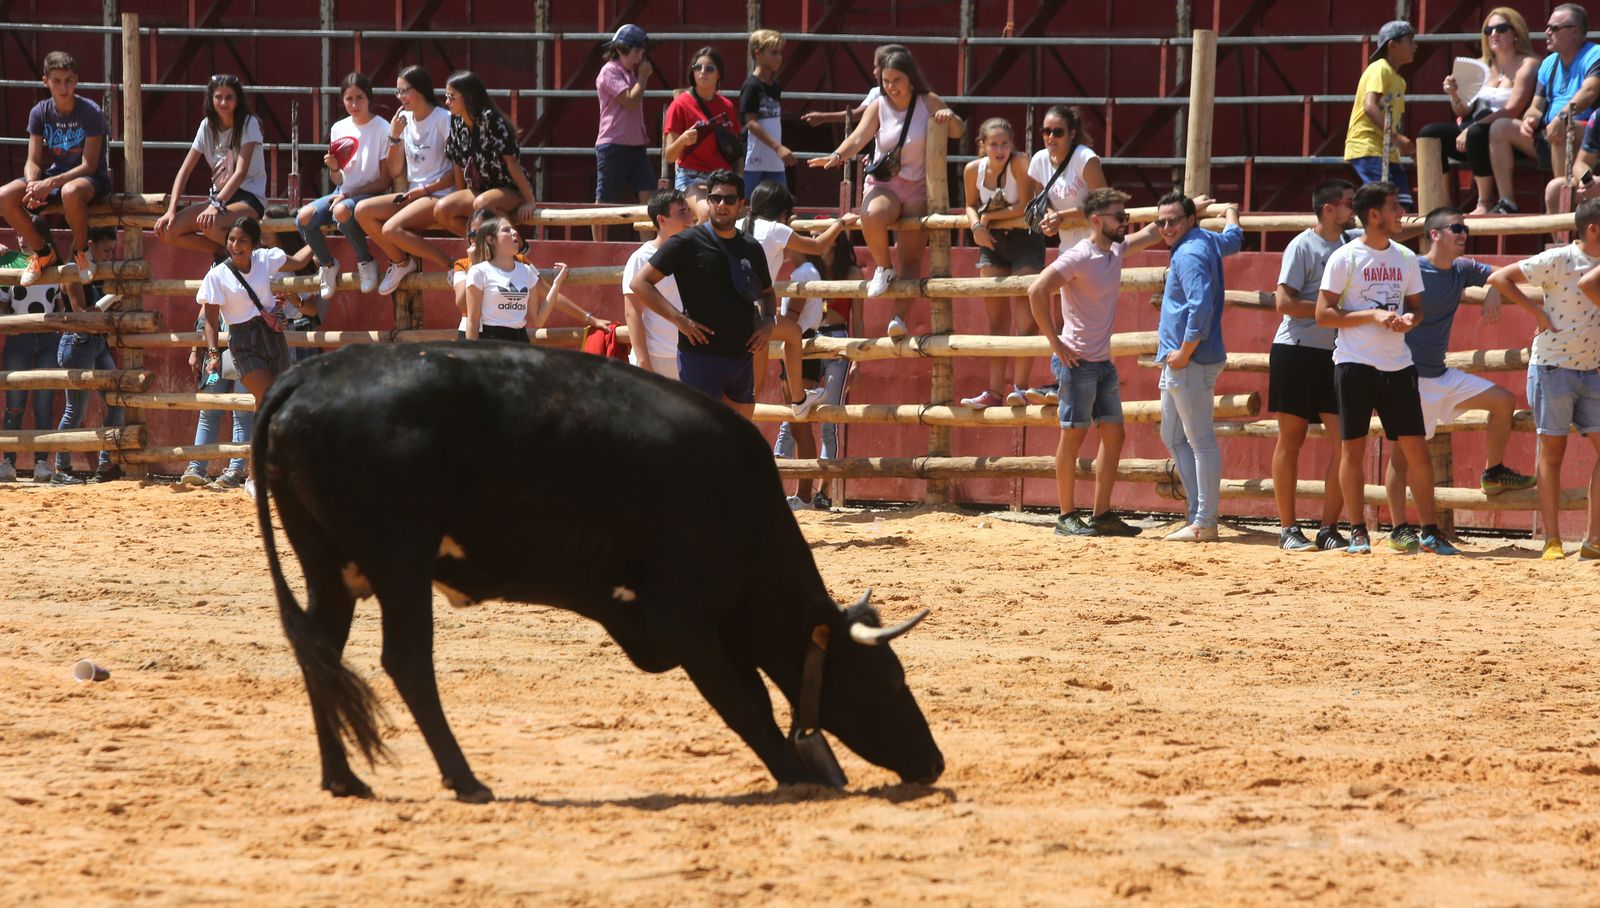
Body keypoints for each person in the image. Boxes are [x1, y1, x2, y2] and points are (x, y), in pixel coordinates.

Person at [1315, 181, 1455, 556]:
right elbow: (1323, 314)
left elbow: (1417, 307)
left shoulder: (1406, 258)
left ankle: (1429, 530)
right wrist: (1372, 315)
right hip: (1354, 364)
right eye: (1394, 207)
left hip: (1398, 365)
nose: (1401, 214)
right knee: (1353, 449)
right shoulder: (1344, 257)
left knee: (1417, 452)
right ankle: (1358, 530)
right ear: (1373, 214)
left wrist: (1410, 320)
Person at [1383, 207, 1536, 547]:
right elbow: (1381, 245)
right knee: (1402, 454)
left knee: (1503, 401)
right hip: (1409, 378)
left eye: (1465, 228)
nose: (1463, 233)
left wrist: (1494, 287)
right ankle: (1398, 528)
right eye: (1456, 228)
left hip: (1440, 374)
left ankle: (1493, 472)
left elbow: (1502, 274)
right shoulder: (1410, 267)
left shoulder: (1463, 268)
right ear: (1434, 234)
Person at [1027, 188, 1164, 538]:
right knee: (1072, 437)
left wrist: (1188, 208)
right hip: (1077, 362)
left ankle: (1101, 514)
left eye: (1126, 216)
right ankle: (1065, 516)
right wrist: (1056, 345)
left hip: (1102, 363)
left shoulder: (1114, 250)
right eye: (1119, 217)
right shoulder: (1079, 256)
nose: (1125, 222)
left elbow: (1152, 232)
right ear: (1096, 220)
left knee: (1114, 437)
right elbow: (1036, 290)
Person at [808, 48, 963, 337]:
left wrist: (947, 114)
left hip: (917, 187)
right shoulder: (878, 104)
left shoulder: (926, 101)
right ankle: (883, 266)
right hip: (884, 184)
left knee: (912, 257)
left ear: (911, 79)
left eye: (896, 80)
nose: (891, 86)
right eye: (887, 80)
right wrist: (837, 155)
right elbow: (858, 137)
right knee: (871, 214)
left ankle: (899, 319)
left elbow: (957, 130)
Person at [630, 169, 786, 419]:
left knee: (739, 436)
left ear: (742, 204)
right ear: (708, 201)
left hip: (741, 356)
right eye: (715, 198)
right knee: (700, 435)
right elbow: (640, 283)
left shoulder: (751, 246)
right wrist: (679, 320)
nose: (722, 205)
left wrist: (768, 322)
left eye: (729, 199)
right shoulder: (687, 242)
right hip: (699, 358)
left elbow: (767, 293)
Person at [1495, 198, 1600, 560]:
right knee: (1552, 454)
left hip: (1589, 368)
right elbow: (1500, 277)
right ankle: (1552, 539)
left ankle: (1592, 539)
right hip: (1553, 366)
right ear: (1593, 228)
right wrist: (1536, 311)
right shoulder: (1560, 259)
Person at [1269, 179, 1357, 551]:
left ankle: (1327, 527)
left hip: (1334, 353)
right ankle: (1288, 528)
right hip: (1297, 351)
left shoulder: (1349, 245)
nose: (1353, 209)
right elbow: (1284, 303)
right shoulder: (1302, 245)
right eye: (1348, 204)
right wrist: (1330, 313)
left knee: (1345, 443)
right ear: (1328, 209)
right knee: (1292, 440)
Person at [1154, 191, 1243, 542]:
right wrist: (1232, 211)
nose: (1165, 227)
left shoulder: (1189, 253)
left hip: (1188, 358)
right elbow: (1233, 239)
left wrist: (1185, 350)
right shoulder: (1204, 239)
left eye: (1172, 220)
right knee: (1174, 436)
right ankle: (1198, 514)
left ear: (1189, 220)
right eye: (1161, 221)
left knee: (1198, 440)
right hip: (1187, 357)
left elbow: (1200, 306)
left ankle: (1204, 520)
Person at [741, 180, 852, 414]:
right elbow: (818, 246)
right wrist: (840, 223)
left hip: (730, 310)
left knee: (749, 389)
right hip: (754, 315)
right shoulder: (775, 230)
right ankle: (799, 399)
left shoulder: (738, 224)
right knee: (792, 333)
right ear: (782, 213)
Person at [1, 51, 112, 285]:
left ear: (76, 80)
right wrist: (32, 185)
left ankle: (82, 252)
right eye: (57, 81)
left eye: (69, 80)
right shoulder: (39, 112)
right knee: (4, 196)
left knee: (69, 191)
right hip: (55, 178)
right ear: (46, 81)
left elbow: (89, 166)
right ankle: (43, 253)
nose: (64, 87)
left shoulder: (91, 112)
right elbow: (32, 160)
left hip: (90, 181)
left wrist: (48, 184)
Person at [1415, 9, 1538, 215]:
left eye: (1501, 28)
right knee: (1430, 133)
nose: (1493, 34)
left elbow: (1513, 109)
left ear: (1516, 32)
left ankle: (1485, 201)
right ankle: (1445, 204)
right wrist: (1454, 94)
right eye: (1488, 30)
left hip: (1506, 136)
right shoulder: (1480, 65)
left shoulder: (1528, 63)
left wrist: (1472, 127)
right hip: (1474, 133)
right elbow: (1464, 109)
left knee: (1477, 132)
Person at [960, 118, 1046, 408]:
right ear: (982, 145)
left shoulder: (1021, 163)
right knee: (996, 319)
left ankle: (1019, 388)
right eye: (993, 144)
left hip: (1025, 240)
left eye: (1005, 144)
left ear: (1013, 145)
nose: (1000, 149)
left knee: (1026, 318)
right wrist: (976, 227)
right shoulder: (972, 169)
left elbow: (1024, 205)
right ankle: (993, 391)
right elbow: (970, 204)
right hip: (991, 243)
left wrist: (988, 218)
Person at [353, 66, 457, 296]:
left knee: (391, 229)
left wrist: (426, 189)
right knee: (362, 211)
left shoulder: (443, 119)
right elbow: (395, 169)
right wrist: (394, 136)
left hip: (439, 194)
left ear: (420, 90)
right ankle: (401, 263)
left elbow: (457, 172)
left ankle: (452, 265)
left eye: (404, 91)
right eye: (397, 92)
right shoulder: (403, 120)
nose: (400, 98)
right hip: (413, 194)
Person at [774, 241, 862, 511]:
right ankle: (784, 487)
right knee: (790, 419)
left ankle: (822, 490)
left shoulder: (849, 272)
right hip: (811, 339)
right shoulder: (813, 269)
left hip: (836, 339)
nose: (816, 242)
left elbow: (857, 316)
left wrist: (857, 357)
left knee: (829, 421)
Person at [1488, 3, 1600, 214]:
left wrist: (1561, 117)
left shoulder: (1595, 55)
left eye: (1554, 28)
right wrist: (1530, 119)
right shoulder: (1549, 63)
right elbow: (1536, 107)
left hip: (1586, 134)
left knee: (1563, 128)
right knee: (1499, 127)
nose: (1547, 32)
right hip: (1549, 134)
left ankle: (1563, 201)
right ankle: (1507, 203)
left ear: (1574, 32)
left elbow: (1590, 92)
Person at [196, 217, 316, 412]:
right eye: (231, 239)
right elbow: (210, 320)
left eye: (242, 240)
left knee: (277, 400)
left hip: (272, 336)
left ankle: (263, 442)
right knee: (270, 396)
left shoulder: (264, 258)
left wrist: (317, 239)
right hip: (243, 343)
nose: (235, 246)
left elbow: (298, 262)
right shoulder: (216, 276)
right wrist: (213, 353)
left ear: (253, 243)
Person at [296, 72, 392, 302]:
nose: (354, 104)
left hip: (370, 195)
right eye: (349, 99)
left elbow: (385, 181)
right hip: (342, 194)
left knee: (341, 210)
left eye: (359, 98)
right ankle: (328, 265)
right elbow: (338, 180)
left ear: (369, 98)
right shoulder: (339, 127)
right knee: (303, 217)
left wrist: (347, 194)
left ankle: (365, 260)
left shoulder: (382, 128)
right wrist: (333, 168)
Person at [153, 74, 267, 254]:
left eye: (229, 97)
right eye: (218, 97)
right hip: (218, 197)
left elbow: (240, 172)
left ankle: (254, 255)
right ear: (211, 99)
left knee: (210, 224)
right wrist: (171, 209)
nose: (223, 102)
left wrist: (216, 205)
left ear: (238, 100)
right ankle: (223, 254)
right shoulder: (206, 126)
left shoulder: (248, 123)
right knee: (167, 231)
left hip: (248, 196)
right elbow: (185, 170)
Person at [0, 217, 75, 483]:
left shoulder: (55, 267)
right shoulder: (7, 263)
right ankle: (8, 461)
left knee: (44, 402)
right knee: (15, 404)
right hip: (18, 337)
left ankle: (41, 462)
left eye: (27, 234)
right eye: (19, 233)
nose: (21, 238)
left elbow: (62, 305)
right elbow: (4, 307)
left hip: (47, 338)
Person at [50, 226, 124, 484]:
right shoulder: (72, 271)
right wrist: (111, 298)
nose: (108, 255)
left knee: (117, 397)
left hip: (96, 342)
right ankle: (61, 470)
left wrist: (113, 299)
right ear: (90, 246)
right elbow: (82, 313)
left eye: (111, 251)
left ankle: (105, 464)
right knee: (75, 411)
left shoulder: (97, 272)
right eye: (105, 250)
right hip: (78, 342)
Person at [434, 70, 538, 239]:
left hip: (509, 188)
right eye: (447, 96)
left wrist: (530, 200)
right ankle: (483, 246)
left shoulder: (490, 119)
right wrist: (460, 197)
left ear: (468, 96)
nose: (447, 102)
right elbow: (458, 164)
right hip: (479, 191)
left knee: (483, 203)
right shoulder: (457, 122)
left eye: (452, 97)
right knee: (442, 210)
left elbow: (512, 162)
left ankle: (517, 247)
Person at [1345, 20, 1417, 210]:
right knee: (1389, 205)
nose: (1415, 46)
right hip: (1368, 147)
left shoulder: (1399, 81)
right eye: (1410, 41)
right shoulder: (1380, 68)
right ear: (1392, 45)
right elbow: (1369, 106)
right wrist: (1396, 138)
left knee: (1403, 206)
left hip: (1387, 151)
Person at [461, 215, 567, 342]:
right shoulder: (479, 272)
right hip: (491, 342)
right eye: (506, 230)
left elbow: (538, 320)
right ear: (491, 240)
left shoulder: (526, 271)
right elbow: (472, 321)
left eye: (513, 229)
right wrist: (473, 357)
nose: (514, 232)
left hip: (520, 342)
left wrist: (556, 285)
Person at [179, 311, 254, 491]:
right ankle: (198, 465)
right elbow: (204, 314)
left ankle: (234, 469)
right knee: (210, 409)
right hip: (216, 355)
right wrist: (196, 350)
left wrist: (196, 350)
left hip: (242, 352)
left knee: (241, 410)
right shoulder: (215, 281)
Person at [623, 189, 693, 380]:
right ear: (661, 220)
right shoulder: (640, 258)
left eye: (689, 211)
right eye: (682, 213)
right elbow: (632, 313)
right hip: (656, 356)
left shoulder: (696, 253)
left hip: (691, 355)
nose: (690, 218)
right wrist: (644, 363)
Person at [594, 24, 655, 240]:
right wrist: (644, 77)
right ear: (621, 49)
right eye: (636, 51)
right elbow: (630, 101)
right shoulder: (609, 71)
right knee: (606, 199)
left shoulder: (628, 73)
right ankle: (598, 247)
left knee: (647, 193)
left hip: (635, 145)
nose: (640, 56)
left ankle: (647, 245)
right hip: (614, 144)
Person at [663, 47, 740, 219]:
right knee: (708, 212)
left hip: (723, 179)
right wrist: (683, 139)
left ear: (719, 74)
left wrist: (739, 180)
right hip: (691, 177)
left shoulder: (727, 106)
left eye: (710, 68)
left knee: (739, 215)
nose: (702, 72)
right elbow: (669, 156)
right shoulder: (680, 105)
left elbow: (736, 152)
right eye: (697, 67)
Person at [1028, 105, 1108, 251]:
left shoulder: (1085, 158)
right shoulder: (1039, 160)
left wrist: (1060, 216)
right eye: (1046, 131)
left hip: (1097, 246)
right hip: (1067, 248)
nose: (1051, 137)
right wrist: (1050, 215)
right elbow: (1043, 201)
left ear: (1071, 134)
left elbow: (1103, 204)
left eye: (1058, 132)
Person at [740, 29, 795, 196]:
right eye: (773, 53)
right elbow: (750, 122)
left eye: (780, 53)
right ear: (758, 53)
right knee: (748, 202)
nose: (779, 58)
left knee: (780, 202)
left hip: (773, 159)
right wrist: (777, 147)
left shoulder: (775, 86)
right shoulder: (751, 86)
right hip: (754, 158)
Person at [800, 44, 904, 127]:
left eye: (876, 67)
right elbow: (857, 114)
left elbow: (857, 114)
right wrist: (823, 117)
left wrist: (823, 117)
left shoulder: (916, 97)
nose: (874, 72)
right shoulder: (877, 93)